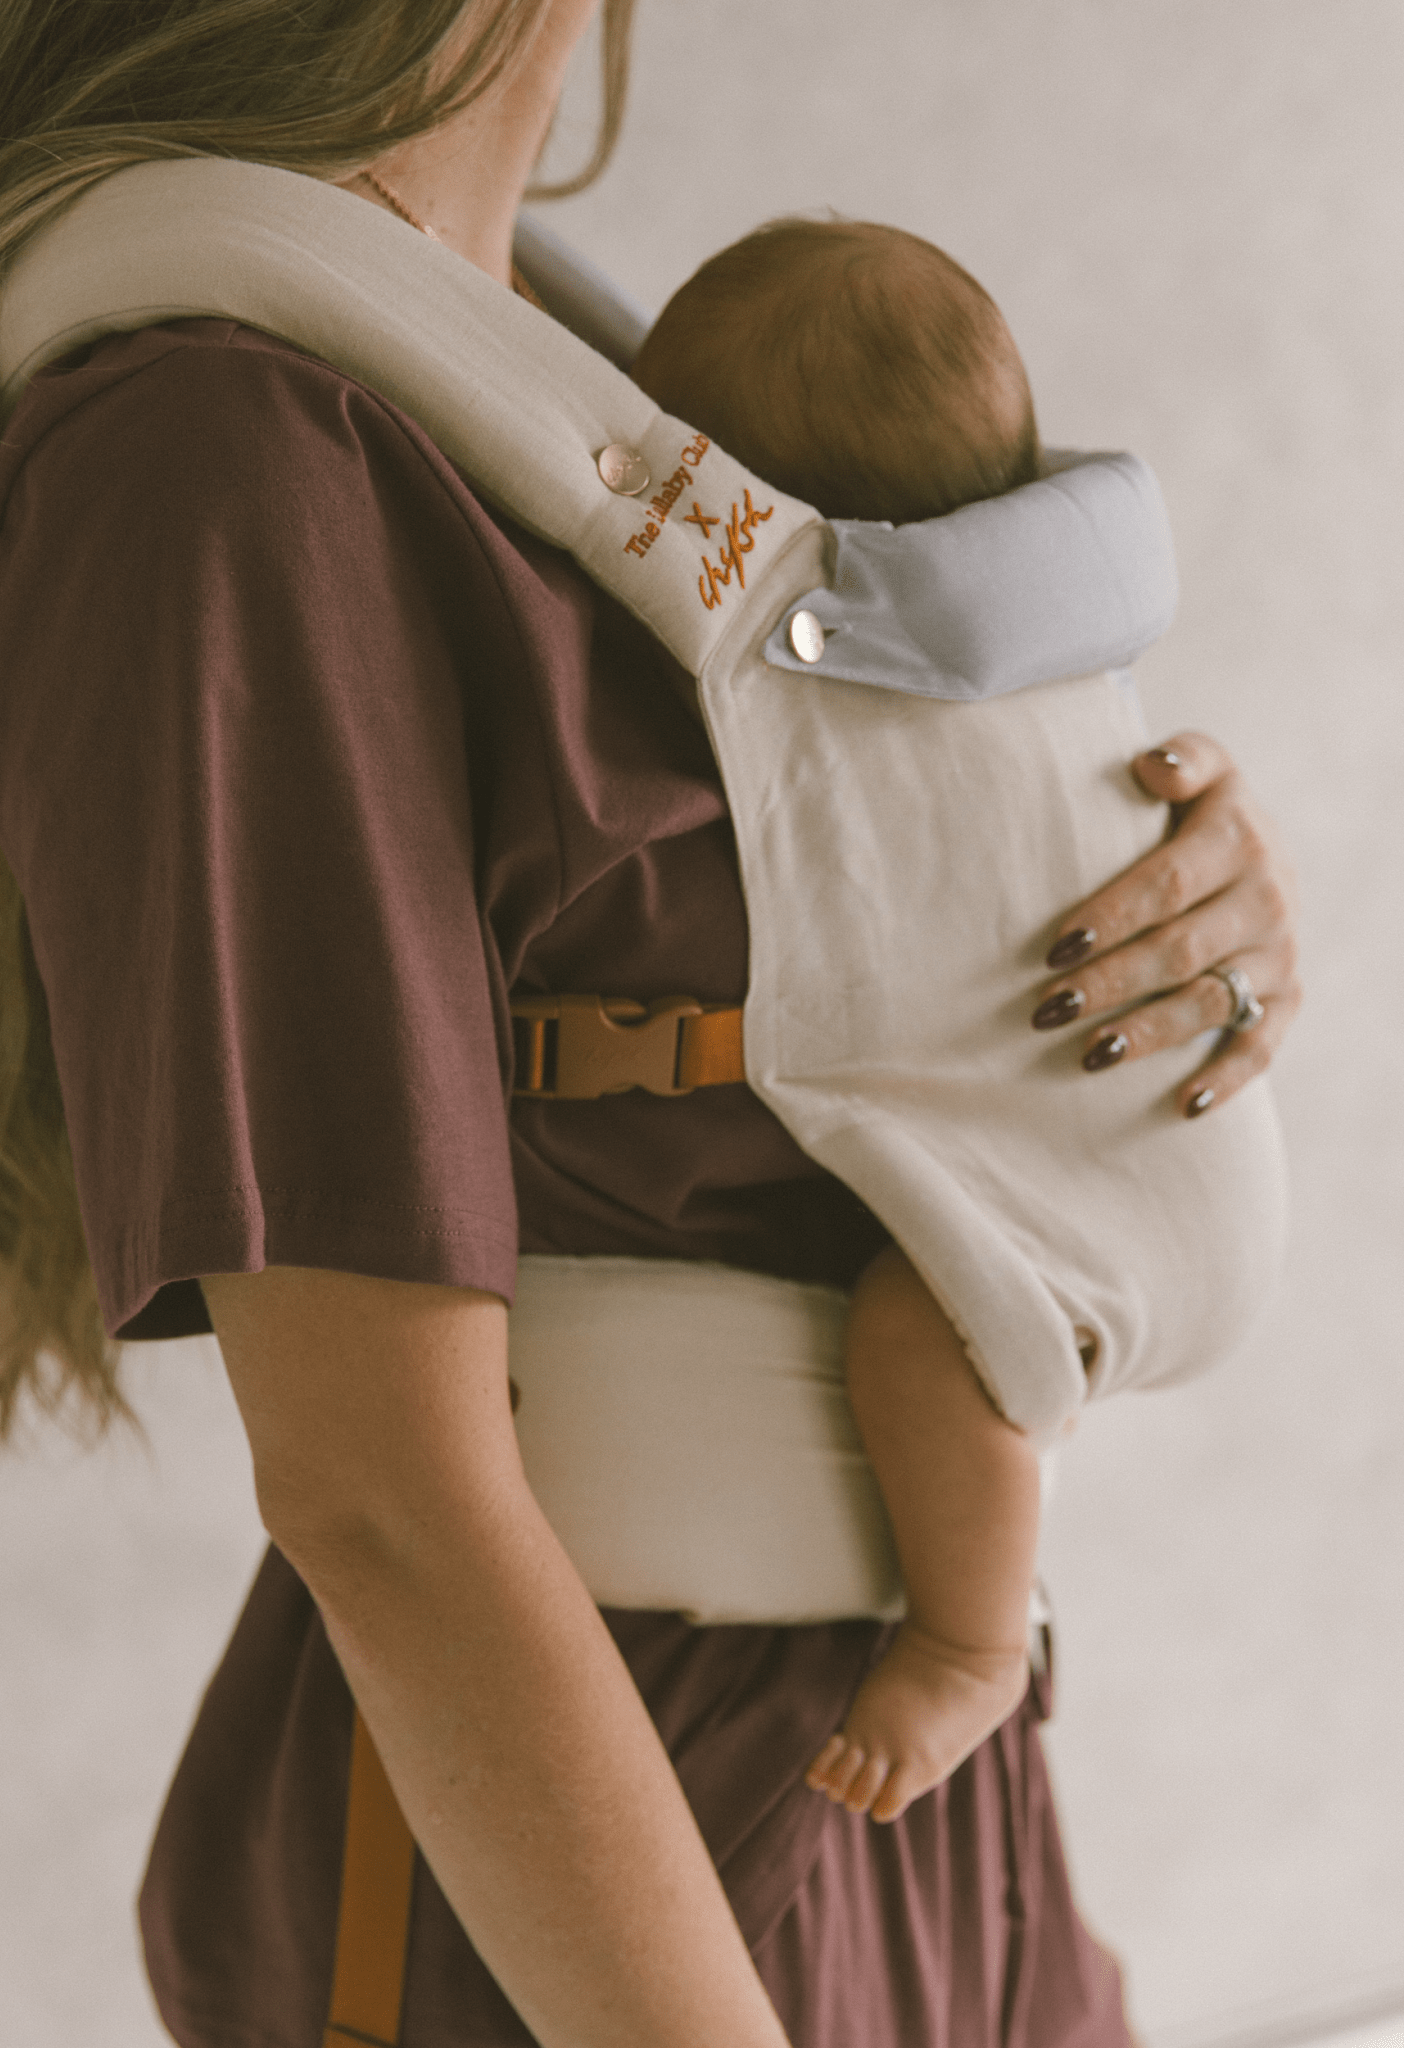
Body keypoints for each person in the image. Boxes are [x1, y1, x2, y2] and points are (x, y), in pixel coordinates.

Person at [0, 3, 1303, 2045]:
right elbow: (385, 1507)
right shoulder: (221, 451)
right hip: (629, 1849)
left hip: (911, 1792)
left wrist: (1125, 895)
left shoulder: (582, 412)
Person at [629, 215, 1227, 1826]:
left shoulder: (854, 673)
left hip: (1121, 1158)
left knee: (913, 1334)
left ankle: (970, 1644)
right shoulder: (1057, 612)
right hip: (1170, 1138)